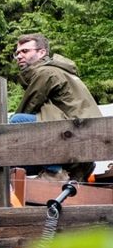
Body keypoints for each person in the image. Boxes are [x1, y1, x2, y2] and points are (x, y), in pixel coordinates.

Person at [10, 33, 102, 181]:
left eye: (25, 51)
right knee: (15, 165)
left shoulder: (46, 72)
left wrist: (5, 134)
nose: (19, 56)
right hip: (84, 128)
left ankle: (55, 172)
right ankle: (76, 168)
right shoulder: (59, 69)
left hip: (76, 129)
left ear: (42, 52)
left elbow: (29, 105)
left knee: (17, 121)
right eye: (17, 53)